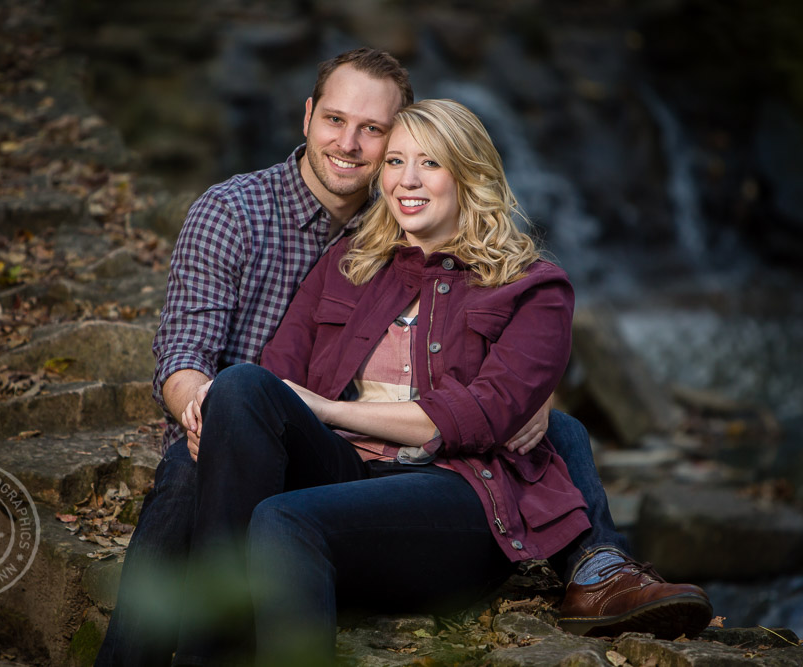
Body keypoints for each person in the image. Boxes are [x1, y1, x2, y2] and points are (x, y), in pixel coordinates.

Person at [94, 50, 705, 667]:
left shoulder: (527, 284)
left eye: (422, 160)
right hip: (300, 457)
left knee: (559, 429)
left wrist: (530, 393)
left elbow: (483, 407)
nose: (402, 176)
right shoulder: (302, 241)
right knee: (230, 408)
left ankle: (599, 566)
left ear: (467, 174)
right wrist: (217, 412)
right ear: (307, 119)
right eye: (396, 163)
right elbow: (208, 361)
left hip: (446, 482)